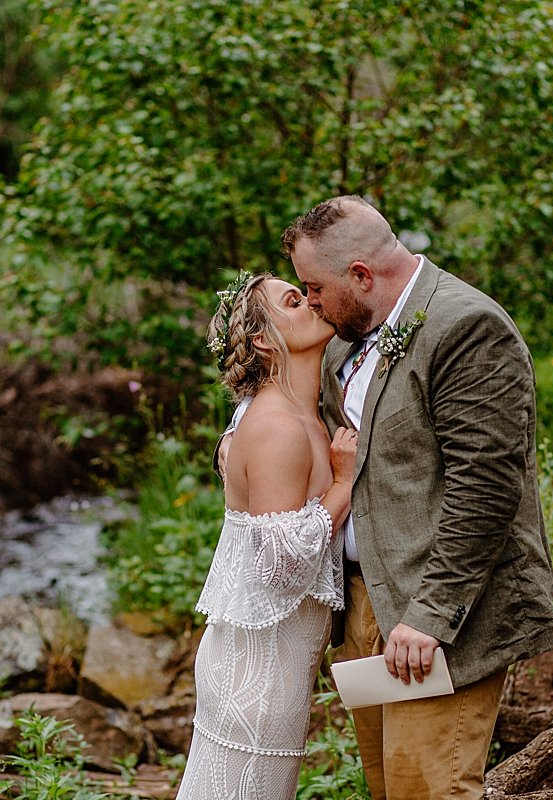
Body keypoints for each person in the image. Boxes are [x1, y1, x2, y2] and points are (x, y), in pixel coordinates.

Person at [280, 195, 553, 800]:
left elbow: (486, 488)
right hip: (363, 606)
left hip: (431, 621)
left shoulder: (467, 328)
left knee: (428, 791)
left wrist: (430, 615)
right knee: (389, 790)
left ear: (360, 275)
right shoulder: (345, 335)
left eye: (313, 287)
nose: (308, 301)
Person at [177, 271, 359, 800]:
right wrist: (344, 483)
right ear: (263, 339)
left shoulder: (301, 415)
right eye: (294, 301)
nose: (313, 303)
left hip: (273, 667)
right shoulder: (278, 425)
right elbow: (279, 566)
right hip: (255, 676)